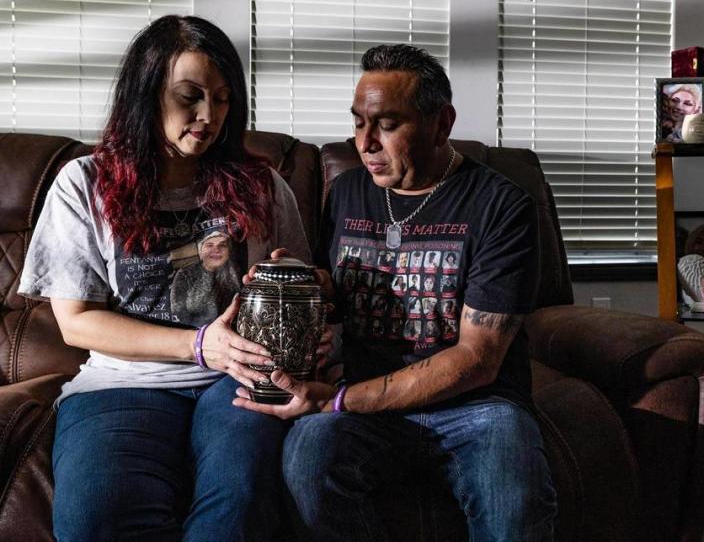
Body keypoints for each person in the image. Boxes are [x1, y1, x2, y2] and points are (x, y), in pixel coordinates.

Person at [233, 44, 557, 541]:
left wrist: (337, 400)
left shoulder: (501, 205)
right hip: (366, 399)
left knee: (514, 493)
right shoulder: (347, 193)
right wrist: (307, 284)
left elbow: (478, 358)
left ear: (440, 123)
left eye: (386, 124)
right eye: (358, 122)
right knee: (308, 461)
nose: (365, 143)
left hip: (476, 405)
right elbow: (339, 292)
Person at [18, 15, 314, 541]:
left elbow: (297, 288)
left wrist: (304, 306)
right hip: (122, 381)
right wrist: (201, 345)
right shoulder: (84, 184)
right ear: (147, 94)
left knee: (238, 506)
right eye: (189, 96)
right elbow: (77, 324)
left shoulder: (261, 185)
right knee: (95, 519)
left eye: (222, 99)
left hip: (239, 379)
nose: (207, 116)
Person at [170, 230, 242, 326]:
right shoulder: (185, 273)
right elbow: (178, 310)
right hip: (193, 332)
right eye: (209, 245)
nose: (216, 250)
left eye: (222, 245)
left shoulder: (234, 270)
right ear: (201, 251)